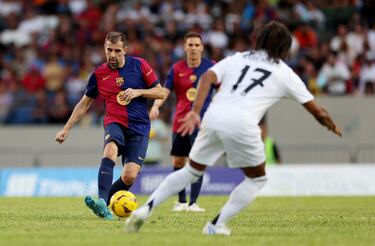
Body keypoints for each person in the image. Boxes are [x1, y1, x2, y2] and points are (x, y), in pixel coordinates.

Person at [124, 21, 342, 235]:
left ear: (261, 39)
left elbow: (208, 77)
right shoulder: (284, 72)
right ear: (284, 47)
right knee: (257, 179)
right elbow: (317, 111)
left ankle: (146, 209)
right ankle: (215, 225)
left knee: (190, 171)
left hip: (213, 117)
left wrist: (195, 111)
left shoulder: (239, 58)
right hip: (243, 123)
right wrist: (330, 124)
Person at [55, 31, 164, 219]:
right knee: (110, 152)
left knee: (129, 176)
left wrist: (138, 92)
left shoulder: (139, 65)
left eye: (116, 50)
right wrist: (66, 128)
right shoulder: (99, 74)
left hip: (139, 127)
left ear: (125, 50)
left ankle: (103, 206)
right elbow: (84, 103)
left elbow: (161, 92)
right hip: (115, 122)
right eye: (108, 50)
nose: (112, 54)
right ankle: (103, 202)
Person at [149, 32, 217, 212]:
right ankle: (181, 202)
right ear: (185, 47)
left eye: (197, 45)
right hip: (179, 122)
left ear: (202, 48)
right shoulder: (177, 68)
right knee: (178, 161)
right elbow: (165, 90)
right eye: (190, 45)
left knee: (197, 159)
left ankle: (193, 203)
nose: (194, 48)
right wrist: (156, 105)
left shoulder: (211, 67)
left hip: (201, 123)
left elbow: (223, 88)